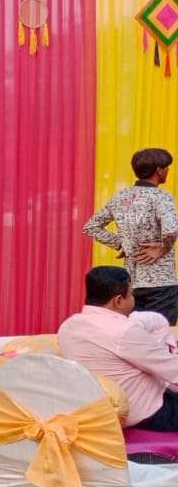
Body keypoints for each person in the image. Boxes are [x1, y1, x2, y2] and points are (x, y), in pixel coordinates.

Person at [58, 266, 178, 432]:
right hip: (143, 412)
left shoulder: (68, 326)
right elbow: (173, 371)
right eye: (131, 295)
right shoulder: (124, 331)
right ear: (119, 301)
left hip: (95, 409)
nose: (133, 300)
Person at [84, 148, 178, 324]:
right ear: (159, 170)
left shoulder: (121, 197)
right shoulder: (161, 197)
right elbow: (171, 230)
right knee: (161, 334)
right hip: (161, 285)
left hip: (131, 286)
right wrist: (162, 248)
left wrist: (121, 243)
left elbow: (91, 227)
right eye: (167, 167)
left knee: (135, 333)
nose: (168, 171)